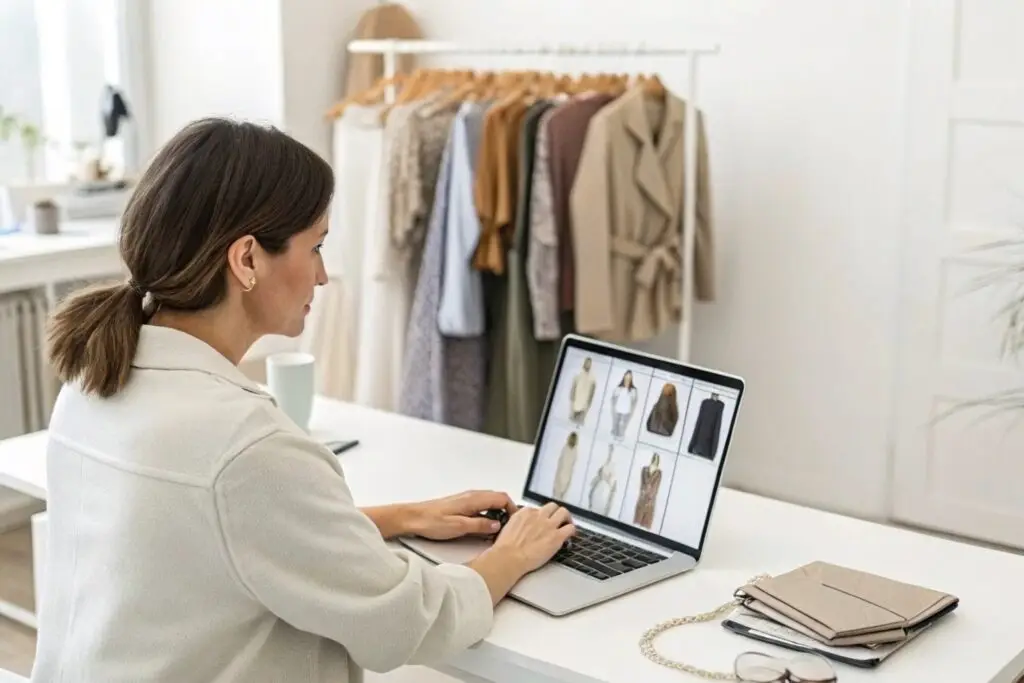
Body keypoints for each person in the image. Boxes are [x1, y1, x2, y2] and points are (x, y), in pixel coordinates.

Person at [34, 118, 576, 683]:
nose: (321, 275)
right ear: (246, 260)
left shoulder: (92, 383)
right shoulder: (247, 447)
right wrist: (511, 554)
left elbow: (211, 534)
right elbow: (409, 622)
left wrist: (406, 516)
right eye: (314, 247)